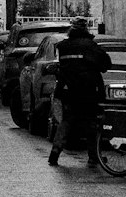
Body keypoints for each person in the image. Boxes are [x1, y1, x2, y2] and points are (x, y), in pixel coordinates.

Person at [48, 21, 112, 167]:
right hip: (89, 90)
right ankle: (93, 156)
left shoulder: (63, 47)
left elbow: (62, 68)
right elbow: (105, 65)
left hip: (68, 90)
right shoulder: (91, 46)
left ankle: (54, 154)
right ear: (86, 30)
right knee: (92, 124)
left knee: (66, 122)